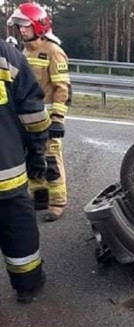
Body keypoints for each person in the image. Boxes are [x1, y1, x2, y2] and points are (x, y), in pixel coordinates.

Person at [8, 2, 71, 222]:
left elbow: (63, 88)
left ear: (39, 25)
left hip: (48, 119)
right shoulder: (23, 52)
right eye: (20, 26)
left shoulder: (54, 52)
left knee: (51, 161)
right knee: (33, 158)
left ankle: (57, 202)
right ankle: (40, 198)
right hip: (27, 120)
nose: (22, 30)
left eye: (25, 26)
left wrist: (57, 119)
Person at [0, 37, 50, 303]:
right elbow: (33, 113)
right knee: (17, 228)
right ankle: (27, 286)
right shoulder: (6, 55)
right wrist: (37, 151)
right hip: (6, 171)